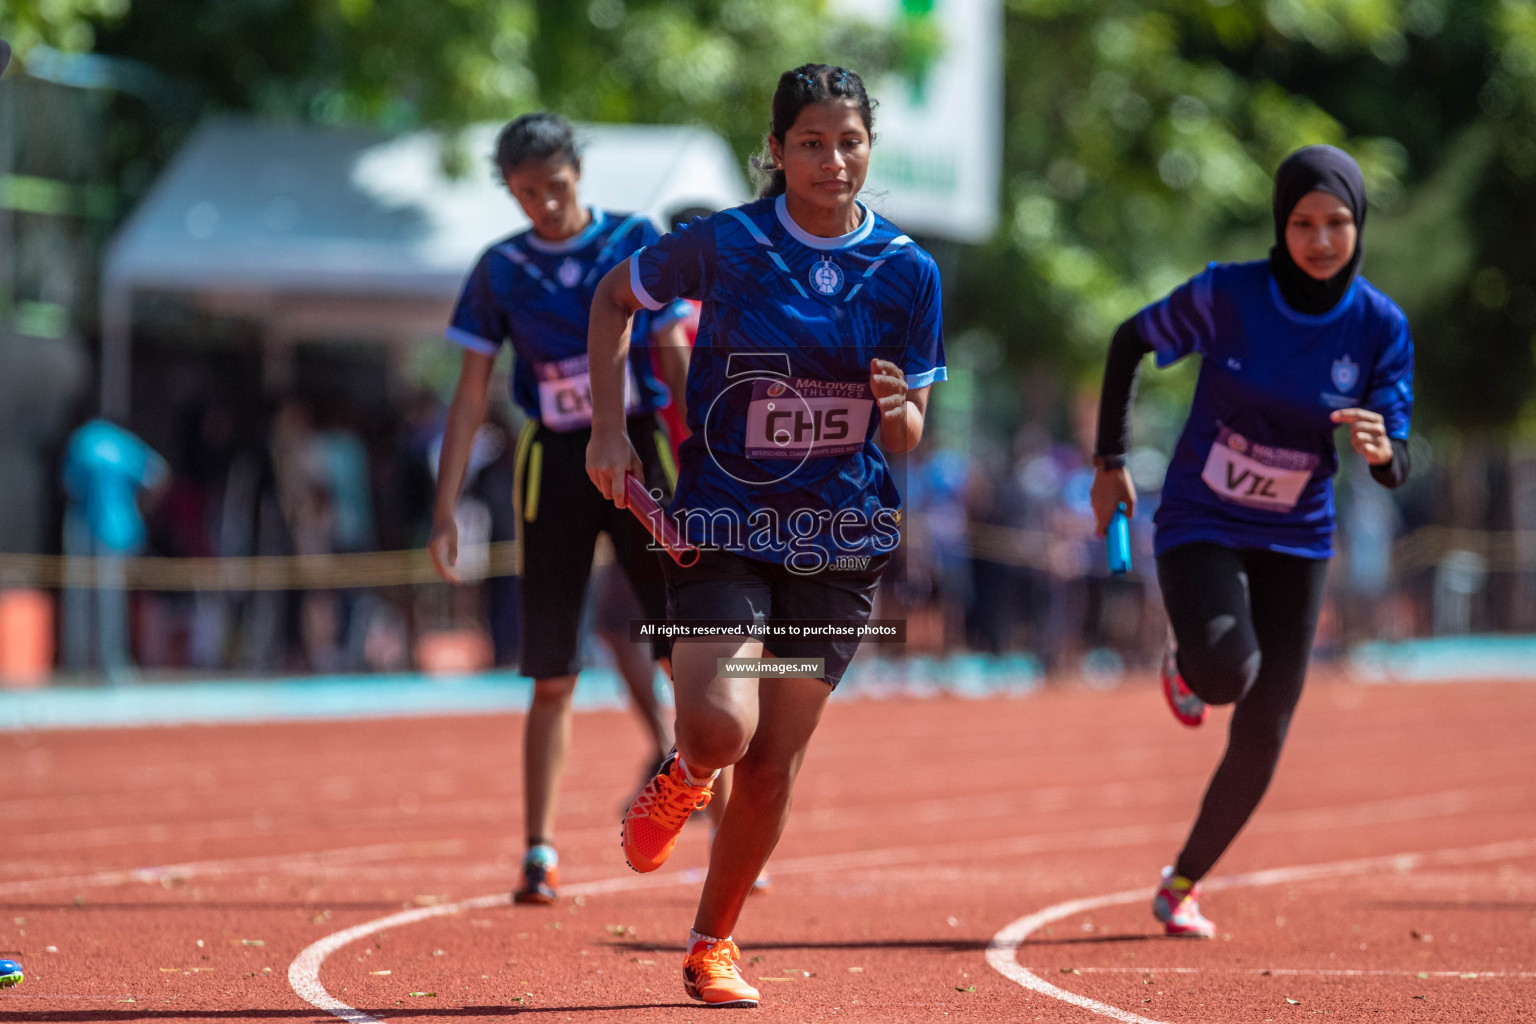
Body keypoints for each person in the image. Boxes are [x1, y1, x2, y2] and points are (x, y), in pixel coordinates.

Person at [586, 63, 945, 1007]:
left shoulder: (909, 271)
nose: (835, 160)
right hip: (727, 523)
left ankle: (714, 940)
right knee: (721, 728)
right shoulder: (725, 244)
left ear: (872, 149)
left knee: (776, 762)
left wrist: (898, 406)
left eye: (851, 141)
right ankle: (682, 771)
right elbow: (612, 300)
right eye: (813, 142)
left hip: (841, 537)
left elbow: (907, 436)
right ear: (778, 151)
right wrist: (608, 428)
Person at [1090, 145, 1413, 938]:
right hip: (1203, 516)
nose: (1320, 239)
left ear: (1358, 225)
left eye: (1337, 223)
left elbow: (1395, 460)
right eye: (1303, 223)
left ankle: (1183, 882)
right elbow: (1129, 340)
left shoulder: (1378, 326)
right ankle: (1189, 661)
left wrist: (1381, 451)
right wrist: (1111, 463)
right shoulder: (1229, 294)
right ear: (1281, 224)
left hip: (1298, 536)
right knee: (1227, 673)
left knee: (1267, 721)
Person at [429, 112, 694, 905]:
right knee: (552, 672)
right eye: (526, 194)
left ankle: (724, 821)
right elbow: (472, 393)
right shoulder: (501, 270)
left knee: (688, 652)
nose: (545, 205)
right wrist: (445, 507)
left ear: (581, 171)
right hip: (556, 463)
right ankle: (538, 851)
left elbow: (676, 354)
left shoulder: (634, 238)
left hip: (646, 451)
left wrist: (714, 454)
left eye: (557, 187)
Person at [60, 417, 169, 678]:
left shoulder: (83, 441)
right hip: (118, 531)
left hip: (86, 530)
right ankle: (112, 663)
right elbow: (159, 475)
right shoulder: (124, 444)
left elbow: (68, 485)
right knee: (112, 601)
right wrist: (140, 509)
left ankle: (78, 663)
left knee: (80, 600)